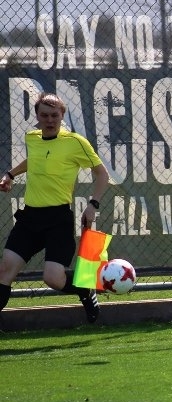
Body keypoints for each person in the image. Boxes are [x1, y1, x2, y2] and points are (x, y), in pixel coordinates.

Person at [0, 92, 110, 323]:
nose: (49, 120)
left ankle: (84, 290)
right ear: (37, 116)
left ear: (62, 116)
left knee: (53, 279)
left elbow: (102, 174)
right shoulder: (32, 137)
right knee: (4, 270)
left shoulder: (75, 142)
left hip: (58, 219)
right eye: (44, 115)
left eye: (54, 115)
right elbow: (36, 159)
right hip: (29, 218)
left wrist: (93, 204)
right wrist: (10, 174)